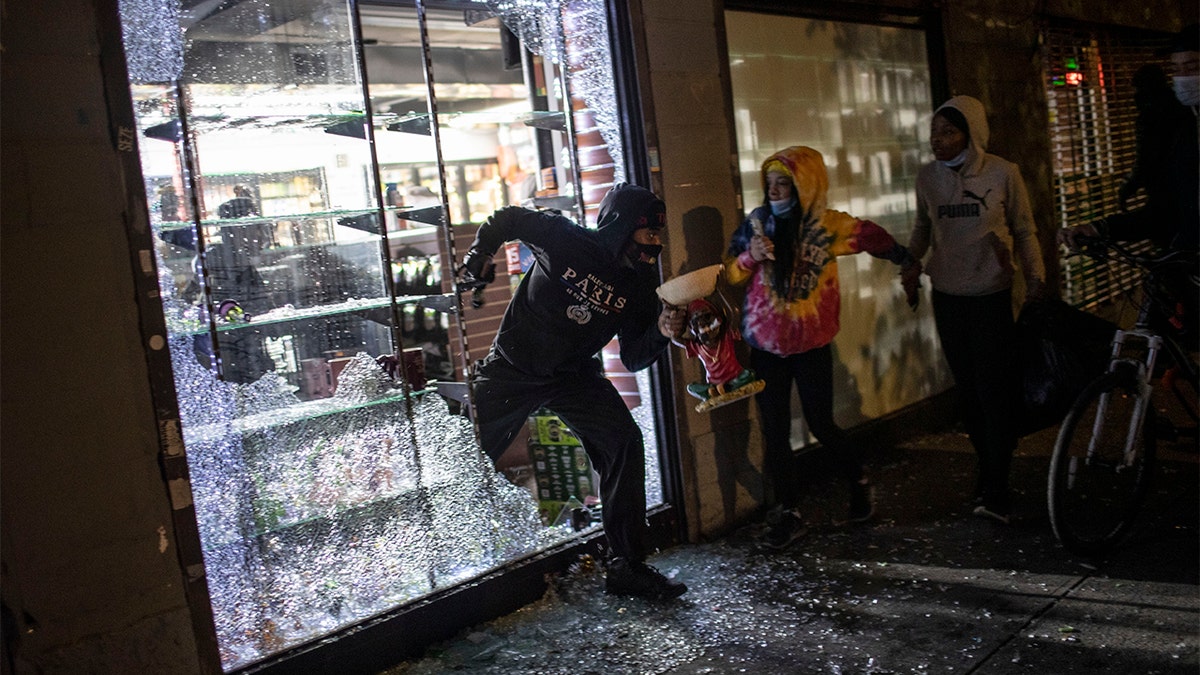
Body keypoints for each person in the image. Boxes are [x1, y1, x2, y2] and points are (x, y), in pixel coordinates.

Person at [460, 183, 687, 601]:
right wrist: (480, 253)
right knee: (464, 453)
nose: (655, 245)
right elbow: (507, 218)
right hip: (513, 367)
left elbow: (634, 357)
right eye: (648, 234)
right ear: (621, 225)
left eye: (659, 236)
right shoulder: (566, 238)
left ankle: (626, 565)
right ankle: (457, 560)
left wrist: (659, 332)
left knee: (623, 442)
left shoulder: (639, 284)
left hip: (572, 376)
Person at [725, 145, 919, 550]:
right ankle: (789, 513)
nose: (775, 190)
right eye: (770, 183)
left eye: (785, 183)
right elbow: (730, 272)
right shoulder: (757, 224)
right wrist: (749, 257)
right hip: (766, 345)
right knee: (775, 431)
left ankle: (858, 481)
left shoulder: (827, 226)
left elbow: (870, 236)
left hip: (810, 343)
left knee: (821, 423)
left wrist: (904, 257)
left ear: (804, 186)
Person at [901, 95, 1048, 526]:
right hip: (947, 295)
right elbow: (923, 227)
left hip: (991, 295)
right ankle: (987, 470)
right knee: (968, 392)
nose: (938, 141)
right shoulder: (927, 177)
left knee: (993, 390)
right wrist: (909, 261)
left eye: (948, 132)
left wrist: (1036, 278)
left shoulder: (1003, 173)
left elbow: (1024, 228)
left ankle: (998, 484)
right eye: (934, 134)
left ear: (971, 133)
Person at [1060, 24, 1199, 253]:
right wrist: (1100, 228)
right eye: (1176, 69)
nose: (1183, 78)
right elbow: (1168, 210)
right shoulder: (1183, 131)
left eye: (1192, 67)